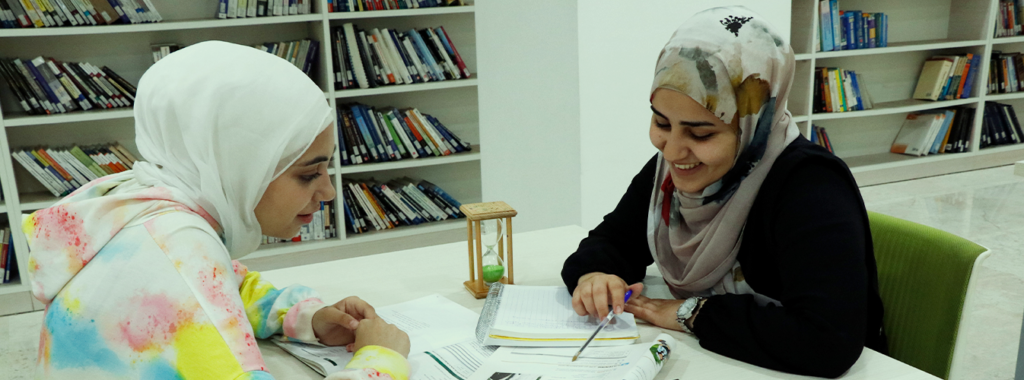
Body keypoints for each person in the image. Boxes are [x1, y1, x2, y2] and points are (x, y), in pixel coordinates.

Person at [24, 41, 410, 380]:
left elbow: (223, 283)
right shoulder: (176, 247)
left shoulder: (144, 202)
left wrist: (306, 317)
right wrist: (382, 359)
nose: (327, 192)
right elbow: (192, 282)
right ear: (237, 166)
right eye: (309, 174)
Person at [560, 7, 887, 378]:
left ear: (753, 124)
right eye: (661, 122)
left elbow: (827, 341)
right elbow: (612, 241)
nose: (672, 150)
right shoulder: (672, 171)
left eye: (701, 134)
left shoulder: (810, 187)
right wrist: (596, 276)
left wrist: (692, 313)